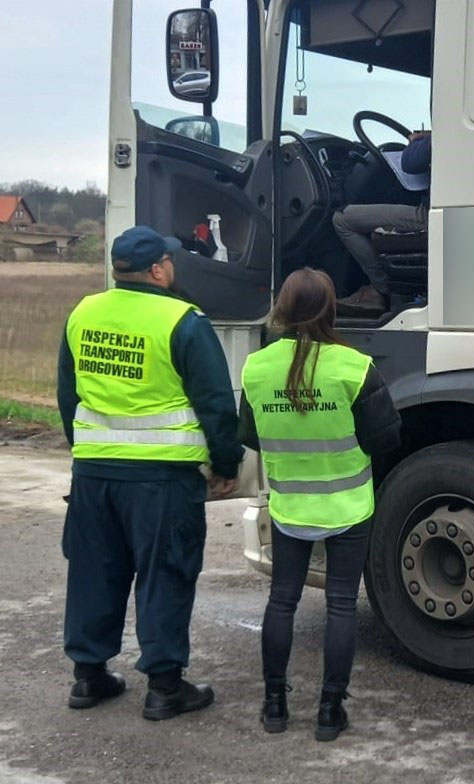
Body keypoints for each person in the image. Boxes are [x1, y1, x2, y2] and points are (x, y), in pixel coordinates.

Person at [57, 225, 243, 720]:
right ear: (158, 269)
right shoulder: (183, 320)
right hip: (162, 480)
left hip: (94, 473)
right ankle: (164, 688)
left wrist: (88, 453)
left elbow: (67, 395)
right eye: (171, 260)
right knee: (166, 574)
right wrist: (226, 464)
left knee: (94, 570)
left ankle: (88, 677)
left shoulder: (83, 313)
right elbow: (216, 403)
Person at [238, 267, 401, 741]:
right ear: (331, 310)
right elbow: (386, 438)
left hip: (289, 507)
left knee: (282, 601)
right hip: (348, 508)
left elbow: (248, 435)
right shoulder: (354, 367)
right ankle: (330, 712)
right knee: (341, 605)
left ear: (283, 309)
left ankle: (274, 705)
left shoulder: (256, 368)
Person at [333, 131, 432, 318]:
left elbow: (410, 163)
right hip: (446, 212)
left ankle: (381, 290)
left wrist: (416, 141)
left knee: (342, 219)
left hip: (428, 216)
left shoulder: (446, 134)